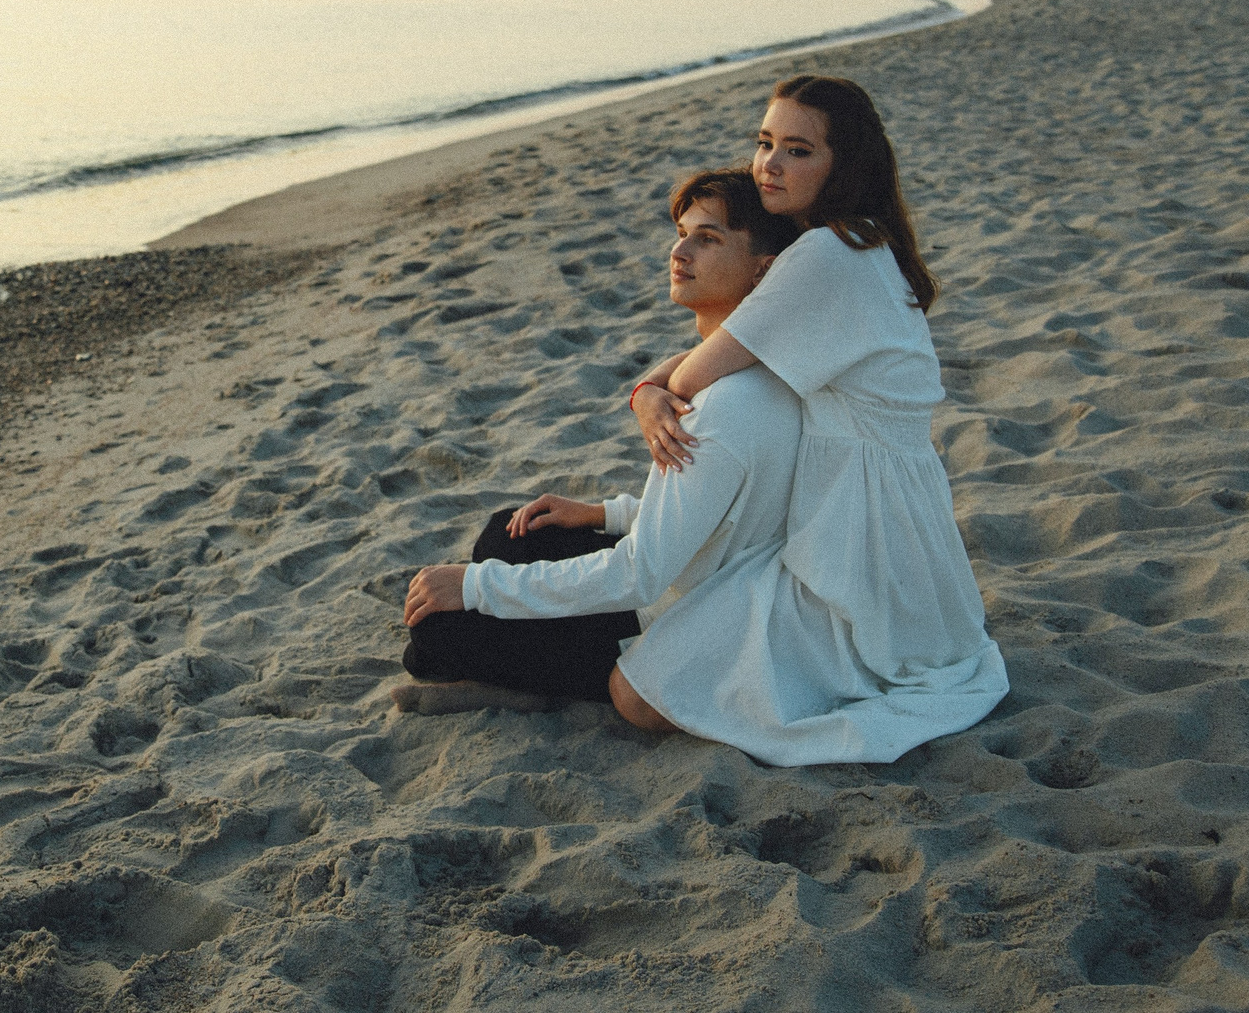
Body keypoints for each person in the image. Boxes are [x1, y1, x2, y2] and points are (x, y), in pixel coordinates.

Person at [609, 73, 1007, 766]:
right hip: (897, 525)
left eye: (798, 150)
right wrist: (650, 386)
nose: (769, 164)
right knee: (658, 662)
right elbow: (732, 350)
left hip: (859, 542)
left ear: (841, 165)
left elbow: (698, 372)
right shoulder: (863, 243)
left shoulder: (827, 254)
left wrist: (649, 390)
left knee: (640, 691)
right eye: (765, 143)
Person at [395, 169, 802, 721]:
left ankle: (535, 687)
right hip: (689, 574)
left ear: (763, 268)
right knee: (508, 530)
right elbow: (720, 515)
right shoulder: (750, 369)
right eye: (682, 232)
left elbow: (638, 574)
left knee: (434, 640)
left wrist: (476, 586)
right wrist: (601, 514)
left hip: (669, 616)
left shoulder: (724, 408)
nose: (680, 251)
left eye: (708, 239)